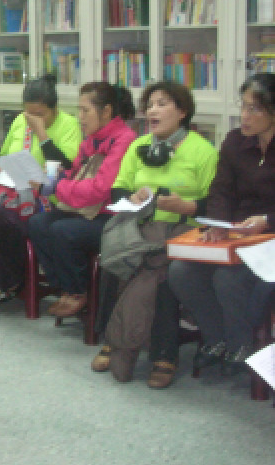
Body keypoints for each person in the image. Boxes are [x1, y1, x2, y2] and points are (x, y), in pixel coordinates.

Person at [95, 81, 217, 389]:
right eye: (149, 105)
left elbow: (215, 204)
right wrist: (132, 197)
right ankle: (142, 347)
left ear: (182, 111)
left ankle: (140, 348)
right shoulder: (139, 146)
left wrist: (185, 205)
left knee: (158, 269)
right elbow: (118, 189)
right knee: (116, 259)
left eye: (162, 104)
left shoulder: (202, 151)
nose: (153, 111)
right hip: (140, 227)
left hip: (185, 230)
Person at [168, 73, 275, 377]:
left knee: (228, 279)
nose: (244, 116)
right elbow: (221, 190)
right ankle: (216, 339)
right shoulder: (234, 141)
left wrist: (267, 221)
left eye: (254, 109)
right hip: (237, 235)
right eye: (243, 106)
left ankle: (242, 345)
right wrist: (217, 224)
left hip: (269, 239)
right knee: (181, 272)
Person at [0, 75, 82, 303]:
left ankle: (13, 279)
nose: (32, 119)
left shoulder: (69, 125)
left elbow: (68, 167)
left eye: (40, 114)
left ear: (55, 109)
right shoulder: (19, 121)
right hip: (11, 192)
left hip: (45, 199)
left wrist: (42, 134)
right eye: (29, 114)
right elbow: (6, 155)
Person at [27, 82, 137, 318]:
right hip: (85, 210)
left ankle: (79, 291)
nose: (80, 117)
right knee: (37, 223)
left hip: (110, 216)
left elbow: (100, 189)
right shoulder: (91, 140)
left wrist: (59, 186)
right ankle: (65, 287)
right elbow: (75, 172)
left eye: (85, 110)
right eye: (79, 110)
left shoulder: (124, 140)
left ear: (106, 111)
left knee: (62, 230)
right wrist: (55, 178)